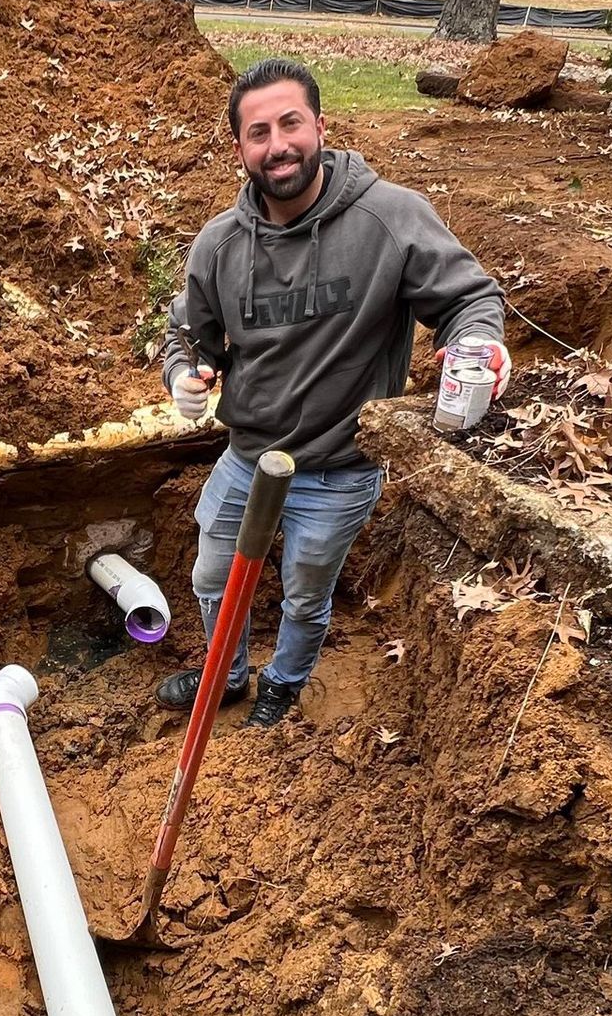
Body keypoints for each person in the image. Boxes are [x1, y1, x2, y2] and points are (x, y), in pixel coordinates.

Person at [157, 57, 509, 729]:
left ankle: (283, 685)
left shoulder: (391, 219)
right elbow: (188, 335)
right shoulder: (219, 246)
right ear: (240, 149)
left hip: (339, 469)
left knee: (305, 594)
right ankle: (226, 676)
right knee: (212, 580)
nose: (277, 145)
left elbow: (470, 298)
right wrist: (183, 373)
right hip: (245, 460)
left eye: (290, 123)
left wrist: (479, 348)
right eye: (258, 133)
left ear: (320, 124)